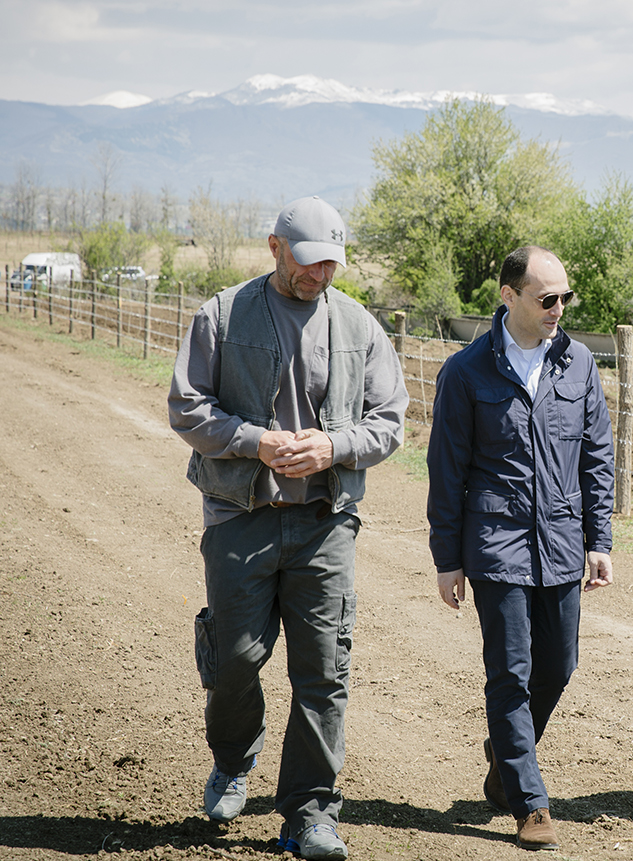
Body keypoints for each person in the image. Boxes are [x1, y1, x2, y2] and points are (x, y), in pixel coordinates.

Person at [169, 196, 409, 860]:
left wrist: (335, 446)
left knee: (324, 670)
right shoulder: (221, 316)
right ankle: (233, 757)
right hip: (240, 515)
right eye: (307, 262)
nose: (319, 274)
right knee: (236, 659)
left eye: (331, 264)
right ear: (274, 248)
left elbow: (391, 417)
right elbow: (186, 407)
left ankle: (310, 814)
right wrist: (257, 442)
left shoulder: (359, 326)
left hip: (325, 522)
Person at [426, 245, 614, 851]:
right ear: (509, 296)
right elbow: (446, 470)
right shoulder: (466, 371)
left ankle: (506, 755)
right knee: (510, 671)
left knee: (559, 665)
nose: (560, 308)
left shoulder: (579, 363)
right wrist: (448, 559)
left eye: (565, 297)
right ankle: (530, 803)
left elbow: (597, 457)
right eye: (547, 298)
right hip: (495, 541)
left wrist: (598, 539)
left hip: (561, 538)